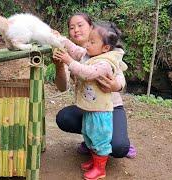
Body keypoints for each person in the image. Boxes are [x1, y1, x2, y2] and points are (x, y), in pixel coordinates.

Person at [53, 13, 136, 159]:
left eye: (80, 25)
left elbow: (120, 78)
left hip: (110, 107)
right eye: (72, 27)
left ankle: (111, 137)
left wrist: (115, 85)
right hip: (89, 106)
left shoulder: (108, 54)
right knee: (64, 117)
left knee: (118, 147)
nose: (76, 30)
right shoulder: (83, 52)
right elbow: (62, 86)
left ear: (91, 27)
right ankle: (92, 140)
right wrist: (59, 55)